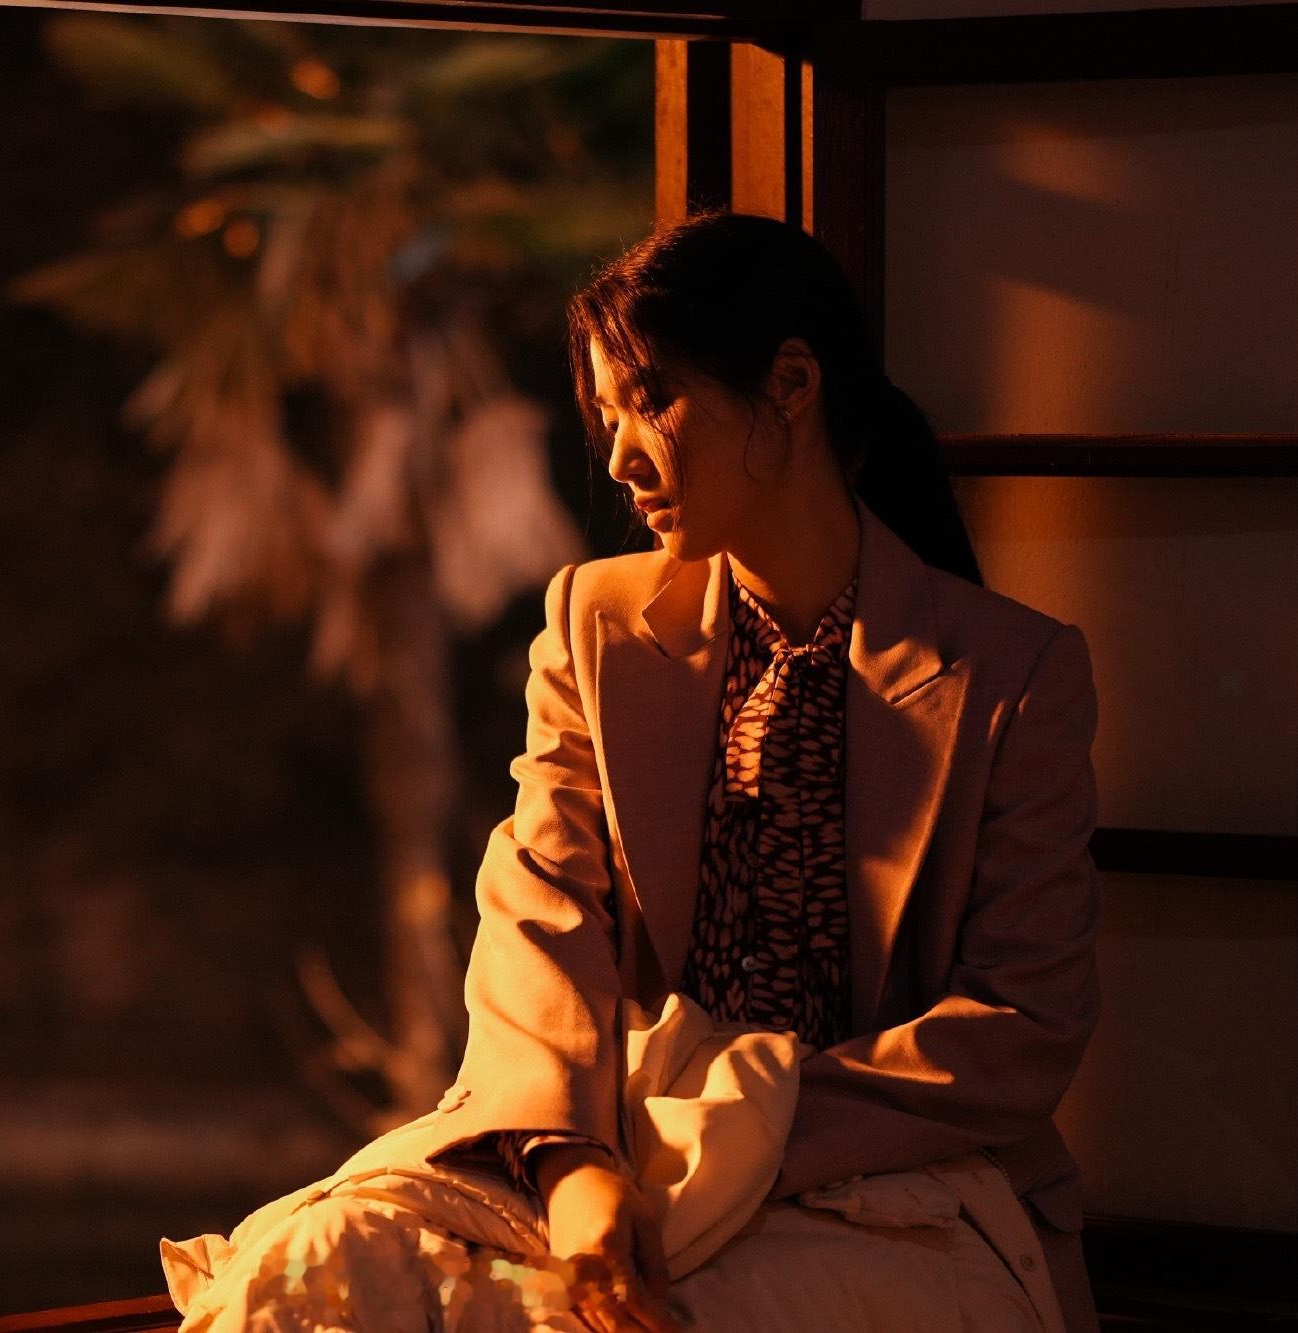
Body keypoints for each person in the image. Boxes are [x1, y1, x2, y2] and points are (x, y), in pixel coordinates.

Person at [408, 208, 1103, 1332]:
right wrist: (575, 1165)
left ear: (789, 384)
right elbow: (539, 912)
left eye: (651, 402)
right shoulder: (595, 620)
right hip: (610, 1145)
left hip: (884, 1176)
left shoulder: (1011, 672)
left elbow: (1021, 1022)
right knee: (316, 1263)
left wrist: (732, 1133)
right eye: (605, 416)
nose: (618, 458)